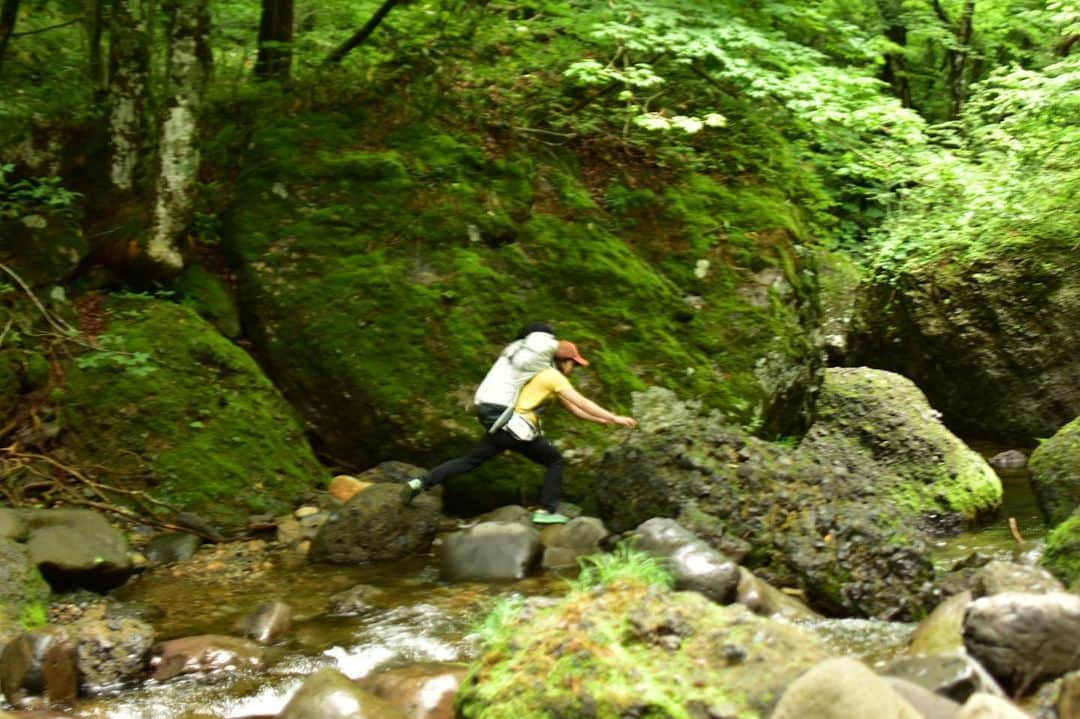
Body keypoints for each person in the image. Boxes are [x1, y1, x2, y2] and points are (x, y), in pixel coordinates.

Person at [403, 340, 638, 524]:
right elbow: (581, 400)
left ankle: (420, 483)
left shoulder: (538, 374)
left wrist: (601, 420)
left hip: (503, 426)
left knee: (468, 461)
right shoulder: (552, 376)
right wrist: (614, 416)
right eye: (573, 363)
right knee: (556, 461)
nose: (574, 368)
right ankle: (547, 511)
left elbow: (575, 410)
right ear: (563, 361)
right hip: (518, 430)